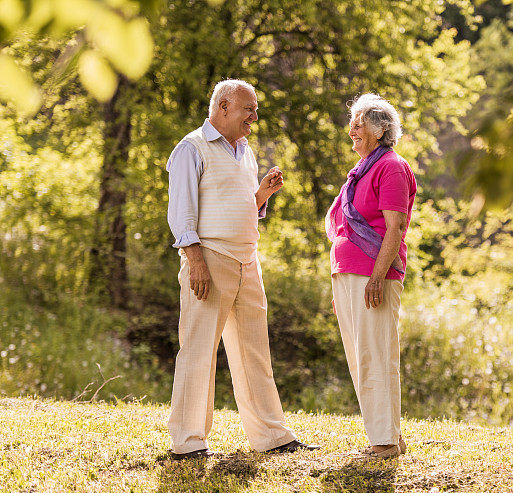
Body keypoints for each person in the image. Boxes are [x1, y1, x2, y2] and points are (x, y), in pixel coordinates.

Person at [166, 79, 318, 459]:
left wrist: (262, 193)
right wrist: (195, 261)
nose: (254, 116)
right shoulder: (191, 148)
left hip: (248, 260)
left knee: (254, 351)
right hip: (210, 258)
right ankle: (188, 441)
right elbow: (181, 213)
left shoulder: (245, 151)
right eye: (248, 109)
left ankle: (271, 436)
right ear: (223, 108)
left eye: (255, 109)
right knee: (199, 351)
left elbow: (239, 204)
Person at [325, 93, 417, 459]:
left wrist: (377, 278)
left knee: (376, 356)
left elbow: (395, 227)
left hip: (372, 276)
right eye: (352, 123)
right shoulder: (362, 170)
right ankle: (389, 437)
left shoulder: (391, 167)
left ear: (380, 130)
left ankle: (384, 442)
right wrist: (343, 288)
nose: (352, 129)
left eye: (359, 123)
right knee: (362, 356)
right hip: (352, 276)